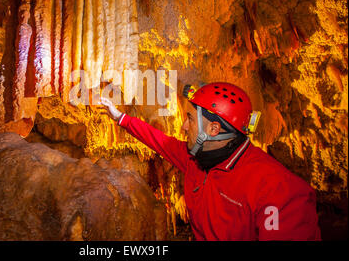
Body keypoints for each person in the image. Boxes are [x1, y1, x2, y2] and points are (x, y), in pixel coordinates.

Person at [99, 82, 321, 241]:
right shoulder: (196, 158)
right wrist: (120, 117)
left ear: (214, 129)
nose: (183, 127)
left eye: (190, 120)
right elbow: (160, 142)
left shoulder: (277, 190)